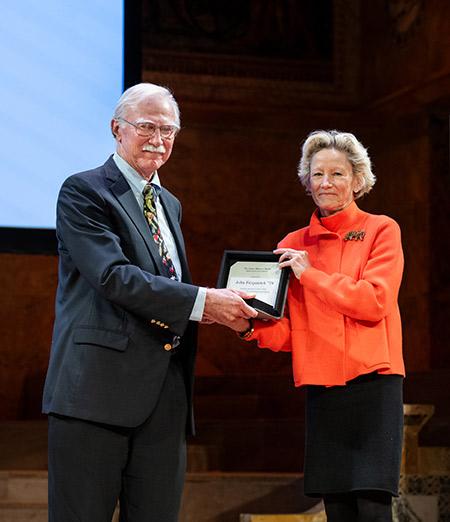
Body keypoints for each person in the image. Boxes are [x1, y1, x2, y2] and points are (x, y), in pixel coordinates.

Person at [42, 82, 257, 522]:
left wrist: (229, 312)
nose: (158, 140)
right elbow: (114, 276)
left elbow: (171, 288)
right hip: (95, 396)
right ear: (116, 129)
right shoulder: (83, 191)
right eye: (147, 127)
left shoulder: (169, 204)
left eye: (169, 131)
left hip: (165, 397)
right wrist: (204, 302)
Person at [226, 130, 405, 522]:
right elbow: (294, 333)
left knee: (373, 510)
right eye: (317, 173)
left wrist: (311, 275)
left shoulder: (381, 229)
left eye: (338, 174)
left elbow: (373, 302)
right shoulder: (291, 243)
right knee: (337, 509)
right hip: (323, 389)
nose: (326, 182)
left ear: (358, 180)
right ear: (306, 182)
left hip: (373, 385)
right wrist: (248, 327)